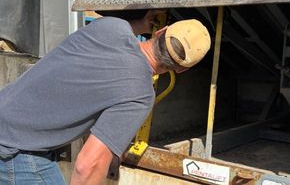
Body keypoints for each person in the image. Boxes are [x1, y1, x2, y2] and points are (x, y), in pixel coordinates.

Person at [0, 10, 211, 184]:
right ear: (181, 70)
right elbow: (87, 165)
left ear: (160, 31)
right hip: (17, 152)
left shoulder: (110, 27)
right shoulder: (140, 93)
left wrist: (140, 23)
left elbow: (124, 27)